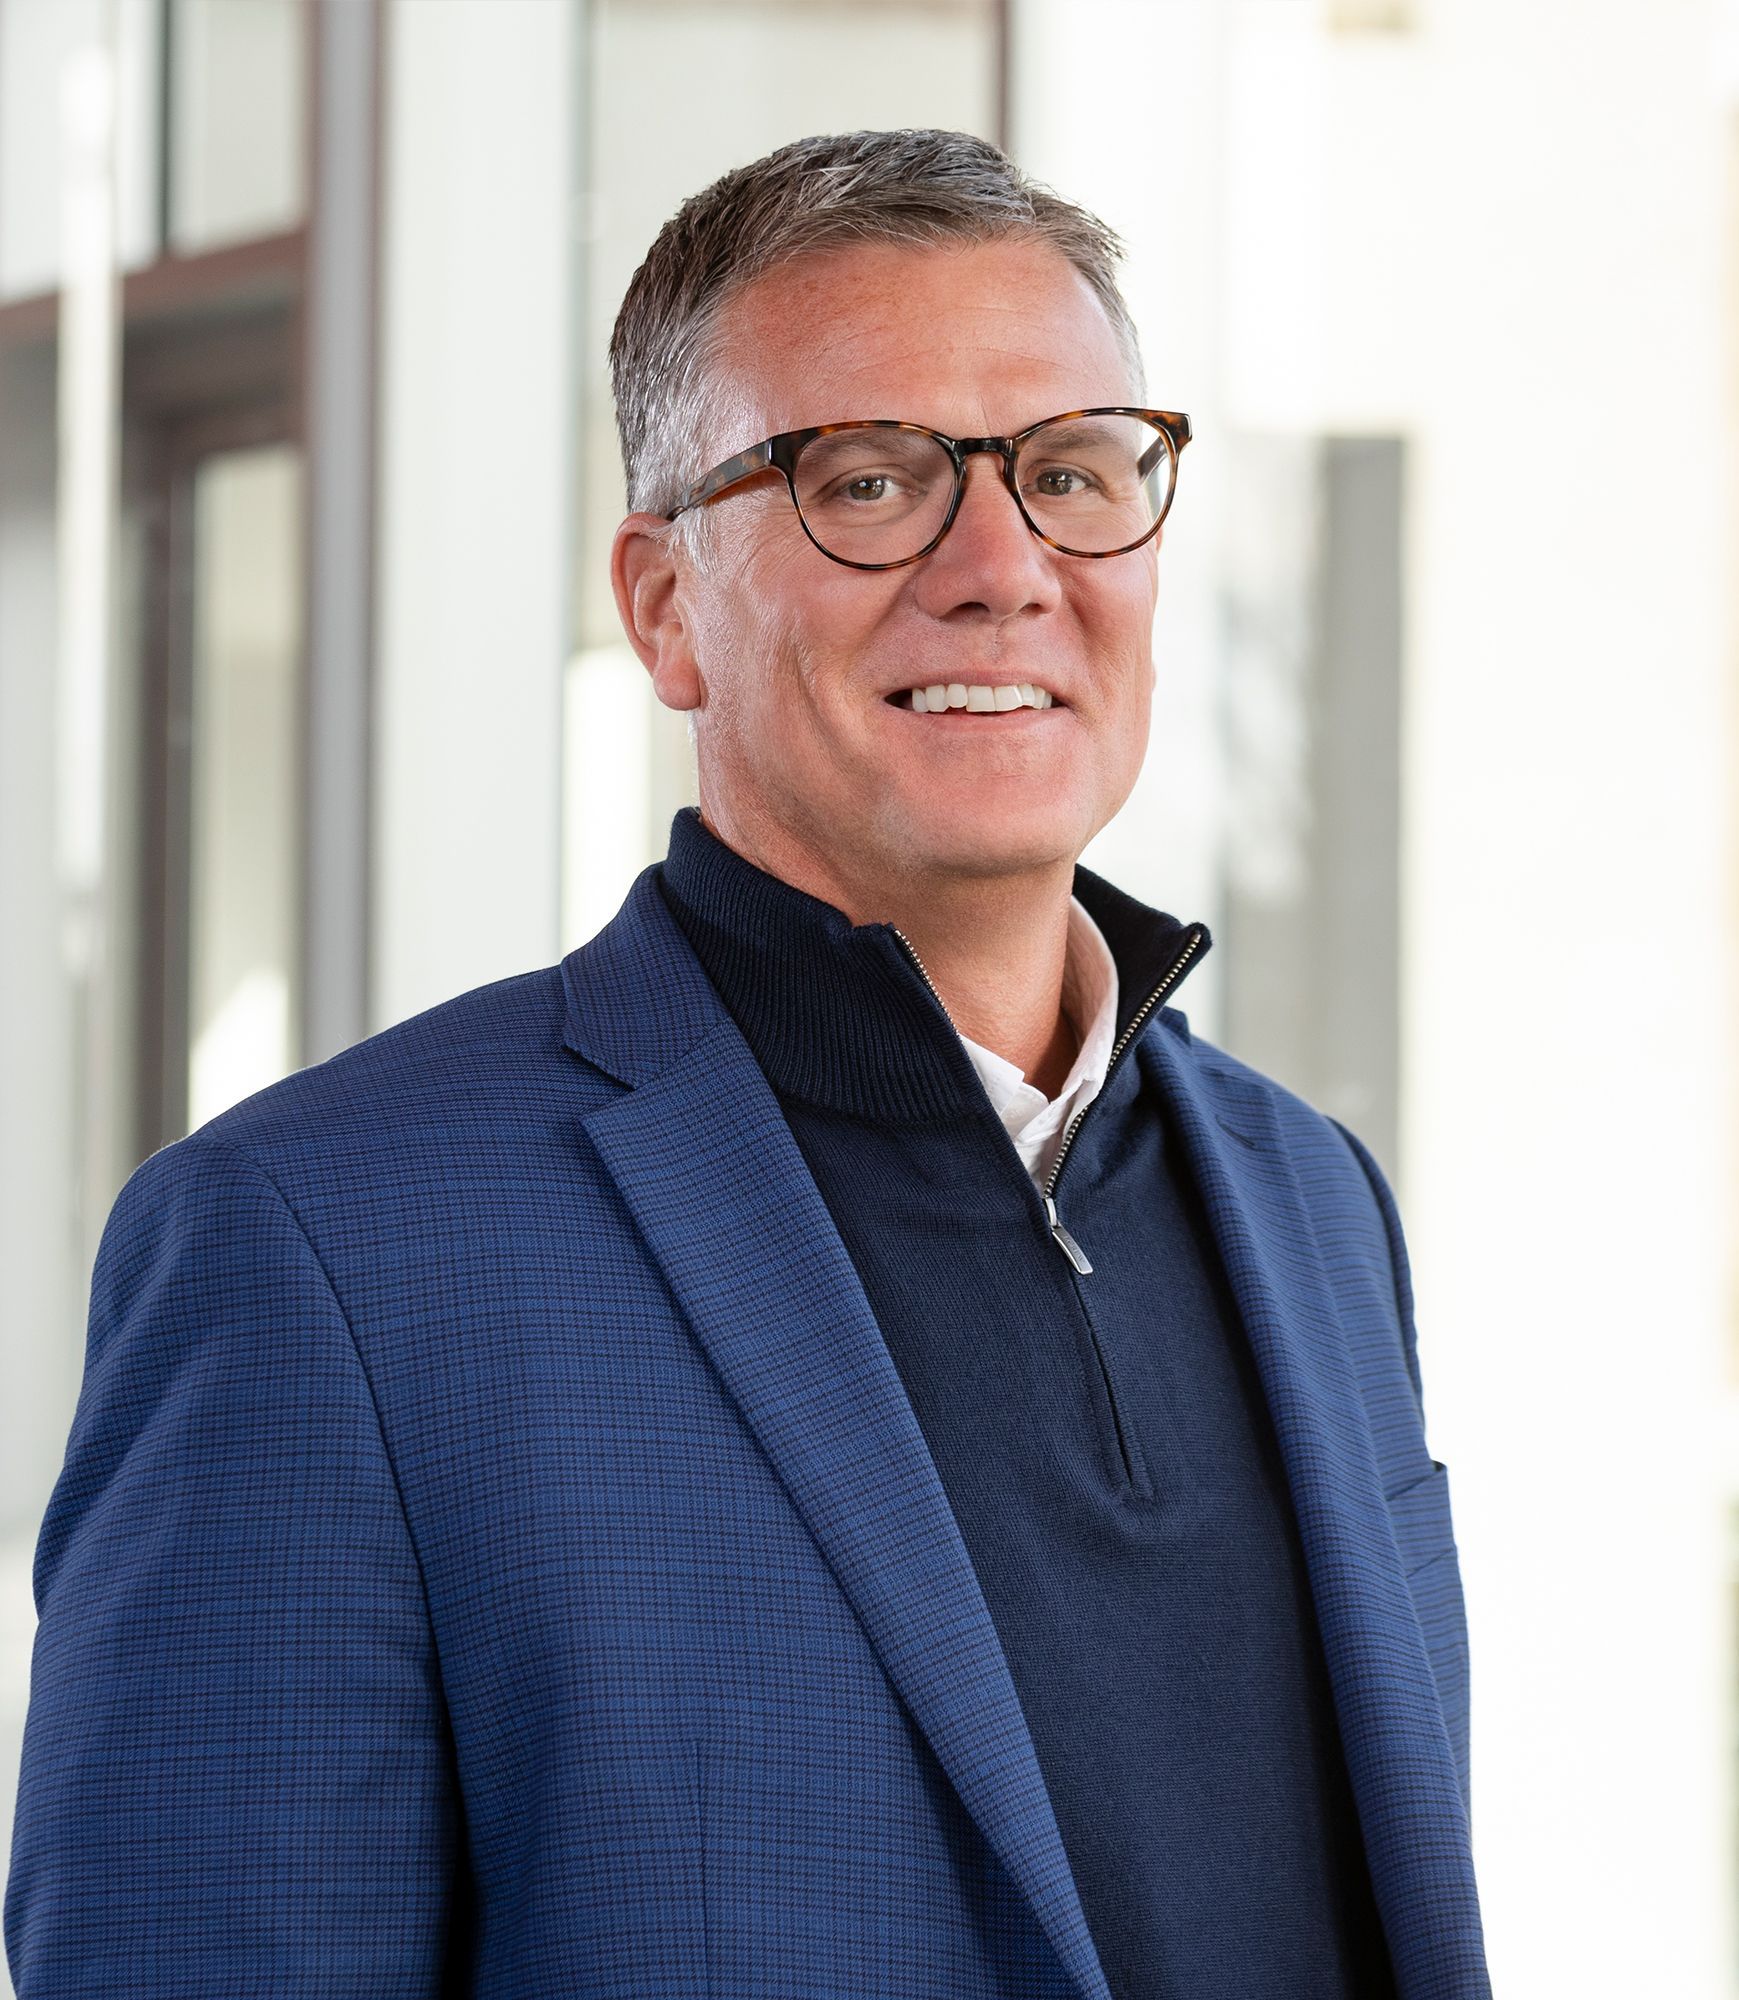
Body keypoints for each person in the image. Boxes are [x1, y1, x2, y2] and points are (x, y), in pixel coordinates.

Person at [4, 130, 1489, 2000]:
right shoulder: (320, 1252)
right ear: (662, 607)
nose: (1003, 568)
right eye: (867, 481)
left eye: (1072, 473)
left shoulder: (1315, 1203)